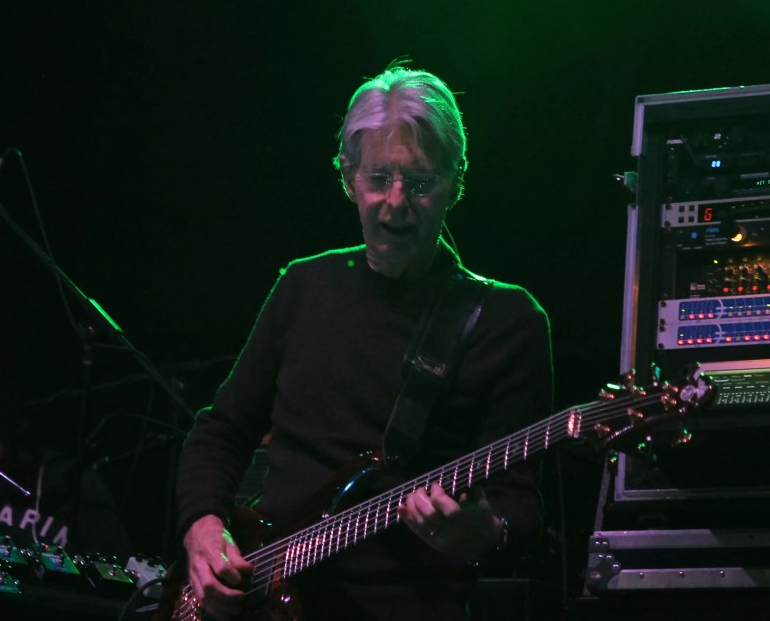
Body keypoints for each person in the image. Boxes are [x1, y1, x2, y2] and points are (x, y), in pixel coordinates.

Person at [174, 60, 553, 620]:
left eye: (420, 183)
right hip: (266, 599)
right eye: (379, 179)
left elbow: (521, 507)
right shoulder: (304, 286)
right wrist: (202, 528)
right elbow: (220, 431)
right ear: (348, 178)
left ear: (456, 184)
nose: (396, 202)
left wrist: (486, 532)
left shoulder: (507, 320)